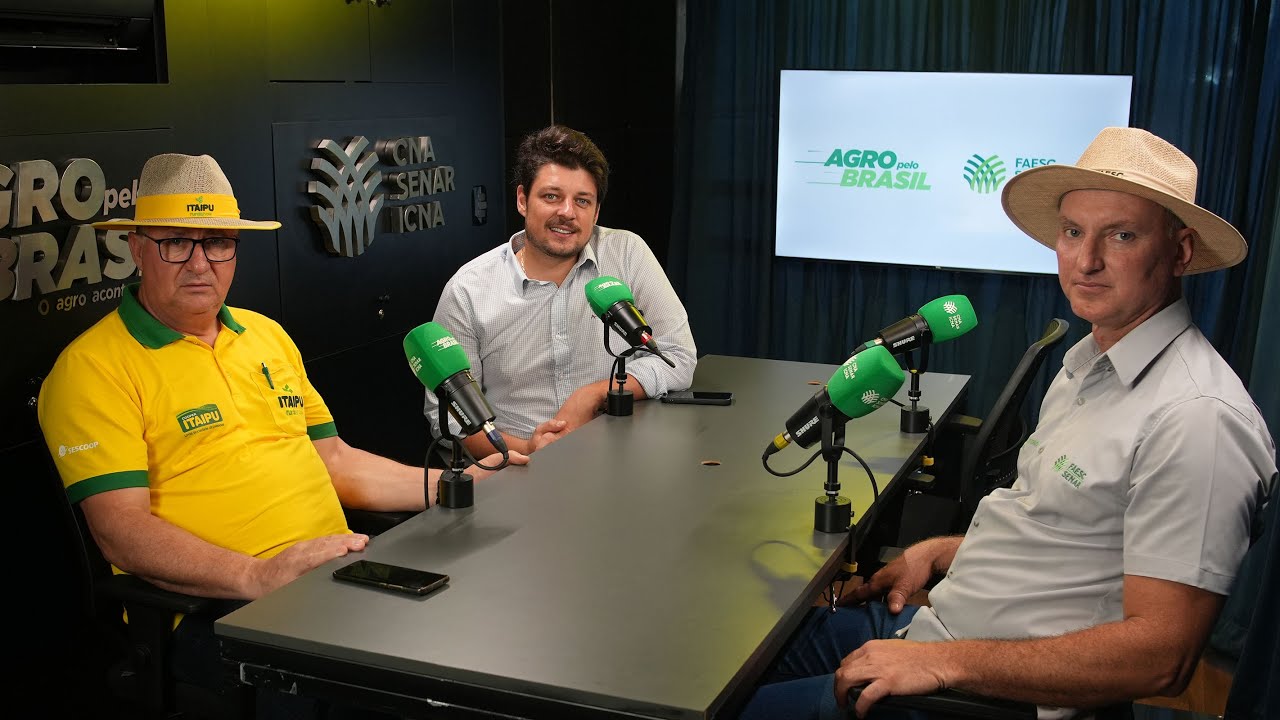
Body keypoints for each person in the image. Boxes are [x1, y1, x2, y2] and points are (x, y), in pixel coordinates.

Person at [740, 127, 1276, 720]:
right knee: (733, 653)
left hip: (976, 690)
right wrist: (944, 552)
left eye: (1121, 235)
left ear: (1179, 251)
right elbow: (1062, 534)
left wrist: (944, 664)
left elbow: (1160, 657)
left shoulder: (1198, 419)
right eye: (1072, 232)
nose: (1086, 260)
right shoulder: (1088, 364)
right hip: (940, 629)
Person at [37, 153, 527, 709]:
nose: (200, 263)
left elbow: (336, 462)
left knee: (480, 640)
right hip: (221, 608)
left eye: (217, 242)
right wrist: (257, 575)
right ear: (136, 246)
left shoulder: (266, 336)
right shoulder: (92, 368)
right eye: (177, 241)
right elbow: (120, 530)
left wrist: (456, 482)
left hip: (336, 572)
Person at [426, 125, 697, 457]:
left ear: (596, 212)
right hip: (517, 470)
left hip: (619, 457)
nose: (567, 212)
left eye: (582, 201)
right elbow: (451, 421)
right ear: (523, 200)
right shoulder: (468, 291)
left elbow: (677, 357)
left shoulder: (626, 254)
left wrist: (594, 394)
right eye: (552, 196)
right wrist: (530, 450)